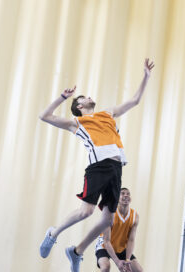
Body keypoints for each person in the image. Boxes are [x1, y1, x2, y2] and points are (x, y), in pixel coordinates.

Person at [38, 59, 154, 272]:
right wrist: (63, 97)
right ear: (79, 107)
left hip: (117, 169)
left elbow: (135, 100)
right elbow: (44, 116)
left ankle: (77, 251)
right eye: (83, 98)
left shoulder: (107, 113)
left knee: (106, 222)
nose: (89, 97)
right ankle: (53, 234)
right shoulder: (77, 123)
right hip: (98, 167)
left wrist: (146, 76)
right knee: (86, 212)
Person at [95, 188, 143, 272]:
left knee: (138, 270)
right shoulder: (110, 213)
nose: (126, 195)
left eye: (128, 194)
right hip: (104, 245)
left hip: (121, 247)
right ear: (117, 197)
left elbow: (131, 240)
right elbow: (106, 241)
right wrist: (117, 262)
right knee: (105, 267)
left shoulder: (135, 216)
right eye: (122, 193)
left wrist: (127, 260)